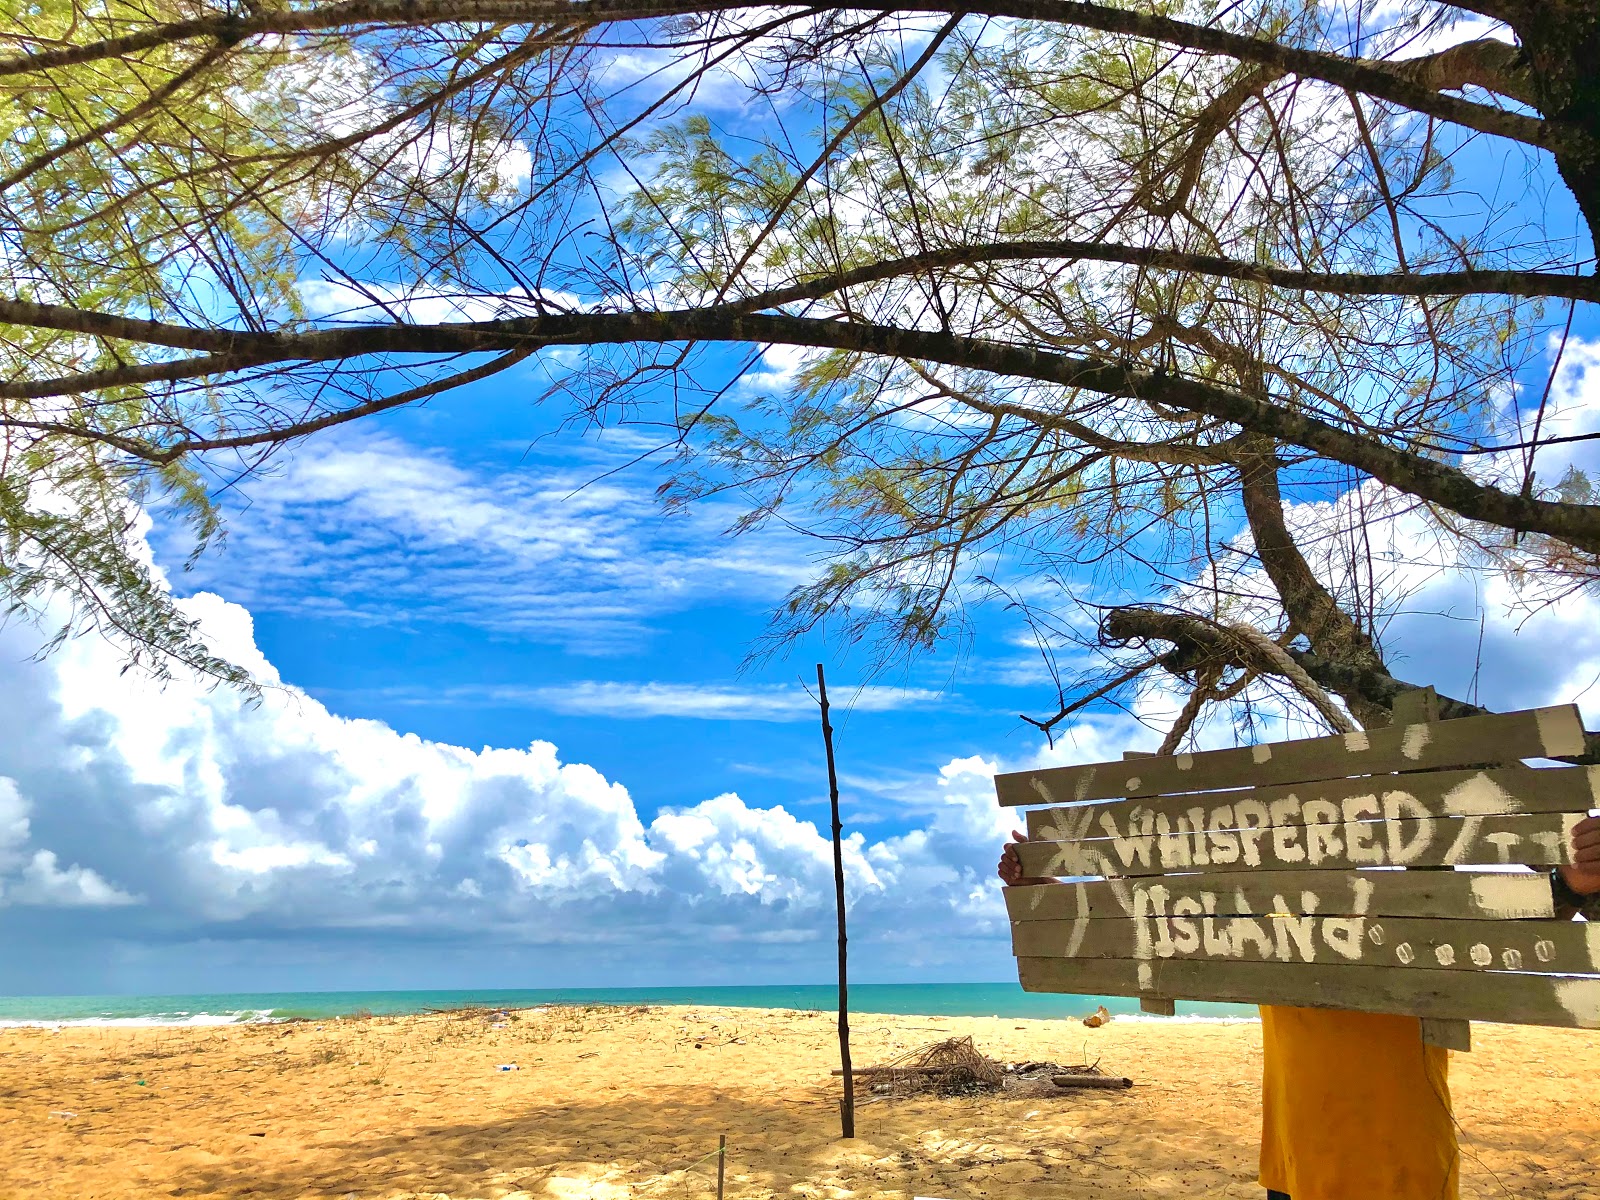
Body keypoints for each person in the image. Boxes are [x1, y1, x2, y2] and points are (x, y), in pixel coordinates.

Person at [997, 817, 1600, 1200]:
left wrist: (1572, 886)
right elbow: (1137, 938)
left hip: (1399, 1174)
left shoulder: (1412, 925)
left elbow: (1506, 931)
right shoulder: (1262, 932)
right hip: (1291, 1170)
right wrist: (1042, 899)